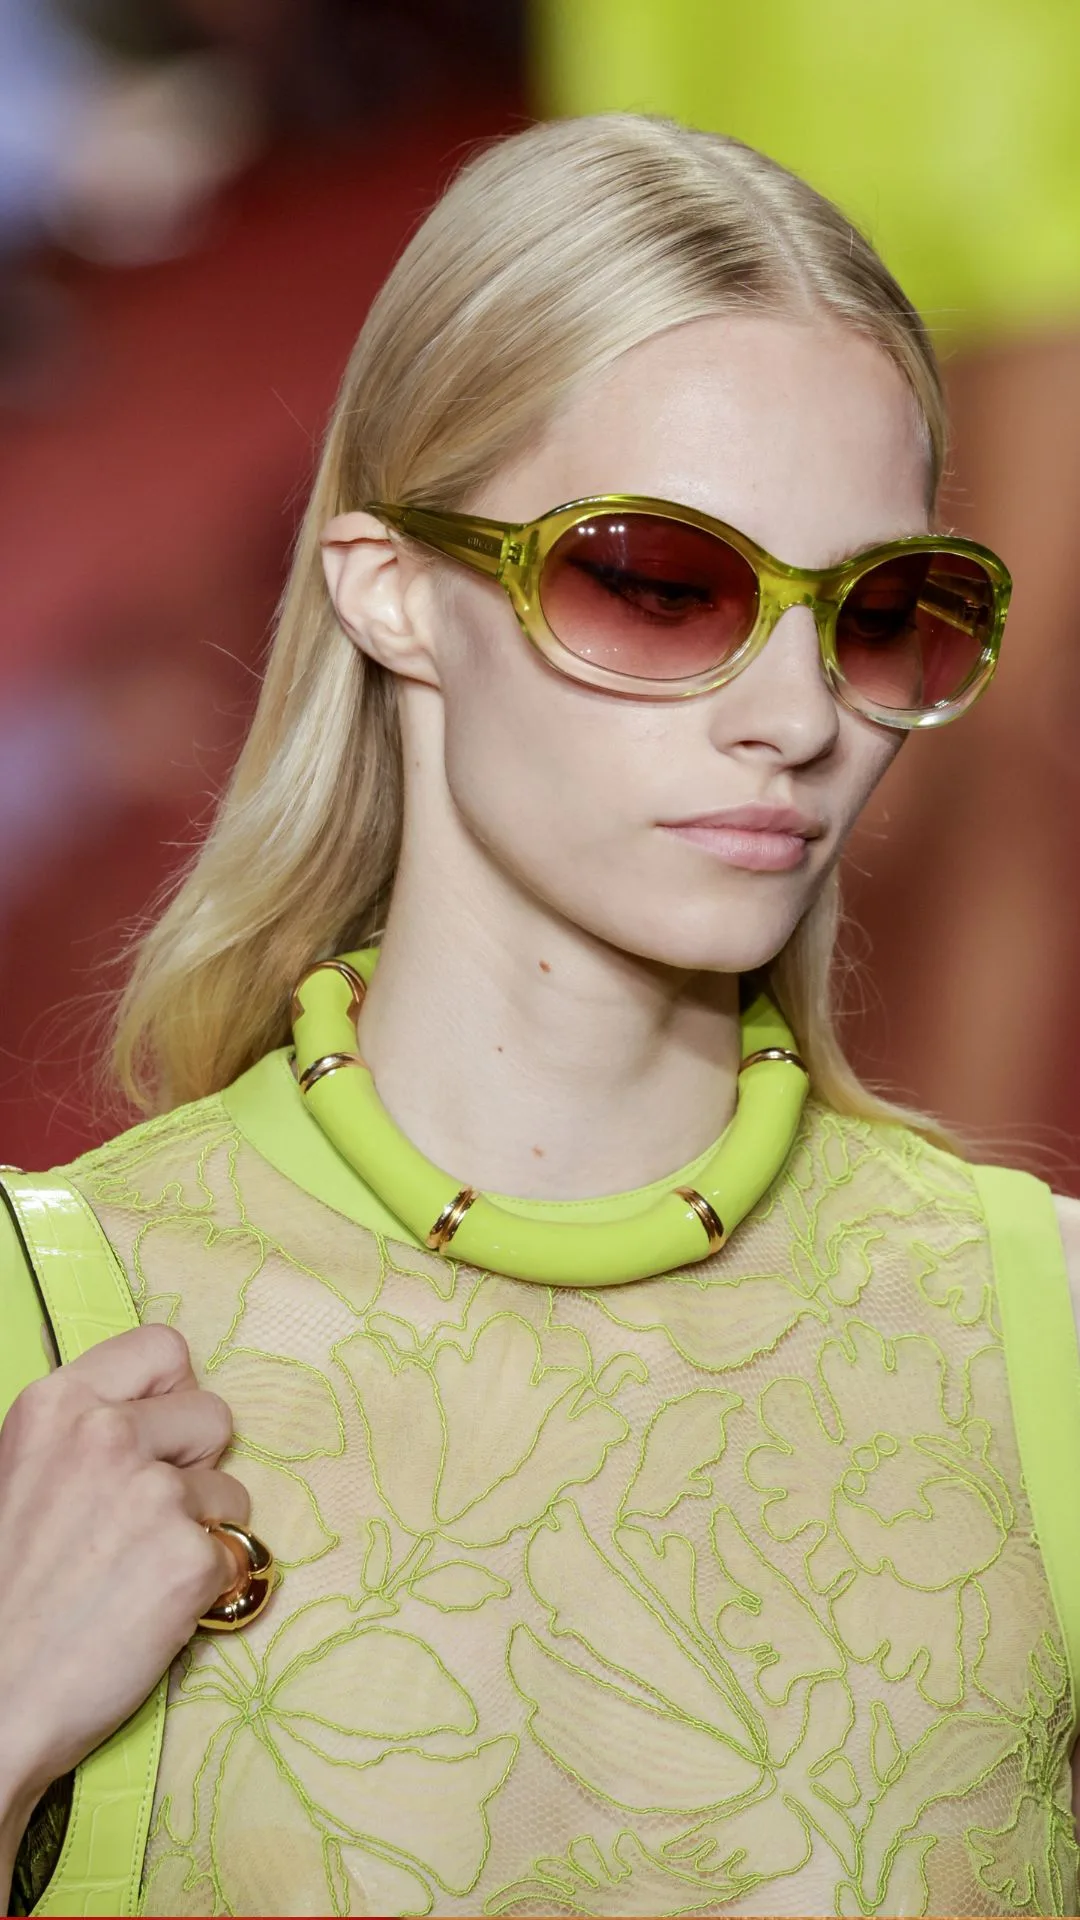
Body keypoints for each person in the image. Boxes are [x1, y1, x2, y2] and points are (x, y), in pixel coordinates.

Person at [1, 114, 1078, 1919]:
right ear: (395, 589)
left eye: (884, 613)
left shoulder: (1042, 1329)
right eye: (661, 586)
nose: (798, 719)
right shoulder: (47, 1358)